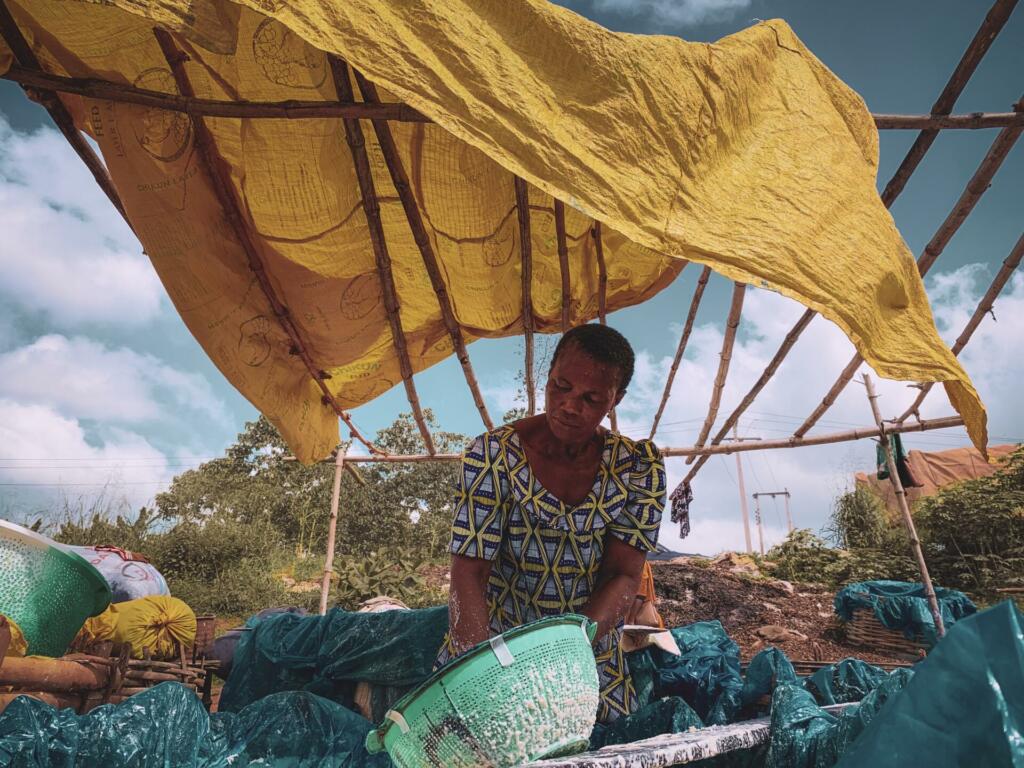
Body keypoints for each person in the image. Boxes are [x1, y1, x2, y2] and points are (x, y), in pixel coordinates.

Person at [436, 324, 666, 722]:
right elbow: (469, 573)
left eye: (591, 398)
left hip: (585, 649)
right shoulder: (493, 456)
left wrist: (569, 653)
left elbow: (623, 576)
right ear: (547, 378)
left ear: (616, 400)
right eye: (560, 387)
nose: (569, 406)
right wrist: (479, 672)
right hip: (493, 642)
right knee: (470, 733)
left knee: (595, 742)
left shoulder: (638, 468)